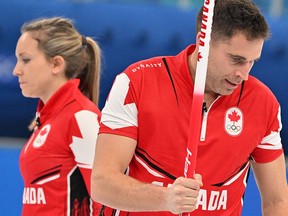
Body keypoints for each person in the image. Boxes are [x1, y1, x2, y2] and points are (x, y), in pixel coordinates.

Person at [91, 0, 288, 215]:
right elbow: (102, 184)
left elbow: (276, 201)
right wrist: (166, 199)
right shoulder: (137, 82)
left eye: (252, 61)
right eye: (236, 59)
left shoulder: (263, 103)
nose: (244, 74)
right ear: (203, 44)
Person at [13, 17, 102, 215]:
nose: (16, 70)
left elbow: (106, 202)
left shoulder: (81, 117)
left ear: (56, 64)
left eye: (25, 60)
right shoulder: (46, 120)